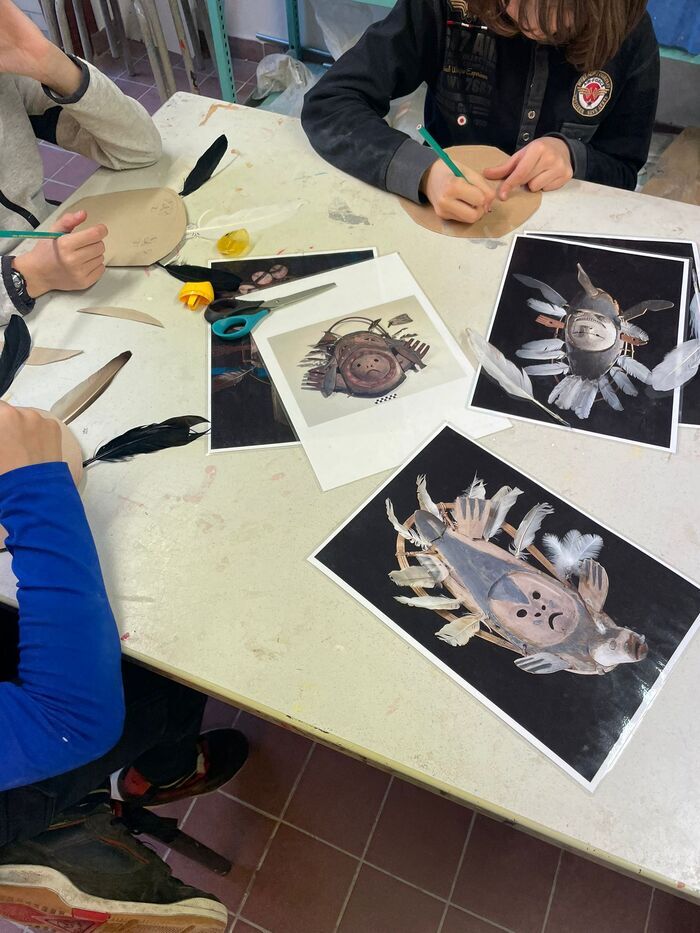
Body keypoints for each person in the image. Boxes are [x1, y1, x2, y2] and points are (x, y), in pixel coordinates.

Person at [0, 404, 248, 930]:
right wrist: (32, 491)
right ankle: (154, 777)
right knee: (164, 665)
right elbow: (69, 721)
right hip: (53, 735)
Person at [301, 0, 659, 225]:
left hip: (557, 240)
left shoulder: (628, 33)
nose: (524, 14)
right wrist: (424, 172)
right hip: (446, 229)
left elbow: (623, 167)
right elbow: (331, 104)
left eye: (559, 8)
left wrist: (573, 156)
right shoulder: (445, 6)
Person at [0, 0, 162, 323]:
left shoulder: (7, 81)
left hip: (54, 283)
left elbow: (141, 147)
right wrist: (27, 275)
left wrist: (50, 63)